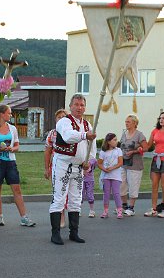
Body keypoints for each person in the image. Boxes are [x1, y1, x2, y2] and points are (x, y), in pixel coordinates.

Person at [49, 94, 96, 245]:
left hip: (78, 167)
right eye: (76, 104)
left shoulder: (87, 125)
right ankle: (55, 233)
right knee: (59, 198)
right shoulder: (64, 122)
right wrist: (84, 135)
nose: (79, 107)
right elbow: (69, 136)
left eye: (82, 105)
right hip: (63, 165)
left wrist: (89, 161)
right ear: (70, 106)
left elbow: (92, 147)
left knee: (76, 199)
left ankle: (73, 232)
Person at [0, 104, 35, 227]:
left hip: (10, 161)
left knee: (17, 188)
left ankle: (24, 217)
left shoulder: (12, 128)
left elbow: (17, 145)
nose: (11, 115)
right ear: (1, 114)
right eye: (9, 113)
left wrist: (12, 149)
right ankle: (0, 216)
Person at [118, 114, 148, 216]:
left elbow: (146, 148)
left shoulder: (139, 135)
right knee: (121, 185)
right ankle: (124, 205)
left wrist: (135, 151)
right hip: (123, 164)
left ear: (135, 123)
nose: (126, 123)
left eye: (128, 122)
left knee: (133, 185)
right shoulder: (124, 134)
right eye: (126, 121)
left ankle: (131, 208)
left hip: (135, 165)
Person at [45, 108, 69, 227]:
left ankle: (73, 214)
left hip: (69, 165)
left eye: (63, 117)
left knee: (69, 192)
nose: (61, 119)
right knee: (58, 192)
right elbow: (48, 151)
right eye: (59, 117)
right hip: (56, 165)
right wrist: (46, 168)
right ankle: (61, 215)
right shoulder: (52, 133)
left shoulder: (71, 132)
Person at [98, 132, 124, 218]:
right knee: (106, 193)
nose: (116, 141)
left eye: (116, 140)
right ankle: (105, 211)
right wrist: (104, 169)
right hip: (106, 176)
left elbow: (120, 162)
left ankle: (119, 210)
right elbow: (99, 163)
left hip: (116, 176)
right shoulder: (103, 152)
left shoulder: (118, 150)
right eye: (114, 140)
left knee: (116, 193)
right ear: (109, 142)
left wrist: (112, 168)